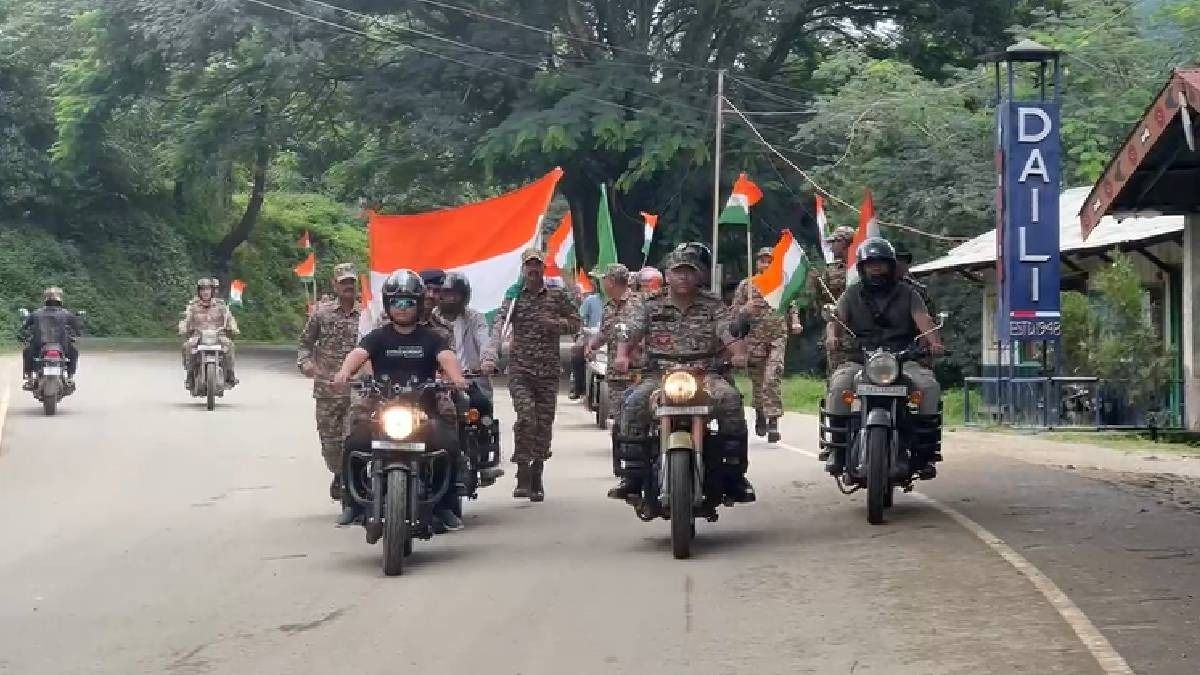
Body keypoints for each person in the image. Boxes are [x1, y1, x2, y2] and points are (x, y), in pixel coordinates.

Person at [609, 250, 755, 501]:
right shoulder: (650, 303)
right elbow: (631, 332)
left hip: (705, 373)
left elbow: (728, 332)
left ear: (698, 276)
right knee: (632, 404)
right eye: (678, 272)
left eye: (689, 272)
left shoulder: (712, 304)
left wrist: (739, 354)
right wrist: (622, 356)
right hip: (659, 373)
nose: (684, 277)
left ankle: (734, 475)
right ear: (667, 276)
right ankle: (632, 475)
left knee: (730, 400)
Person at [332, 269, 469, 528]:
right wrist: (343, 372)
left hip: (423, 412)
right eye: (396, 302)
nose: (402, 308)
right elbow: (358, 353)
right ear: (388, 305)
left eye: (408, 302)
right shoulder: (379, 336)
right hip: (384, 409)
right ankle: (352, 503)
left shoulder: (431, 337)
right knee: (355, 442)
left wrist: (456, 378)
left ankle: (446, 507)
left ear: (418, 304)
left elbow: (446, 357)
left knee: (448, 445)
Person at [823, 238, 944, 475]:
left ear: (891, 266)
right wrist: (832, 337)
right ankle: (837, 448)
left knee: (928, 386)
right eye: (871, 264)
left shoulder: (909, 294)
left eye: (881, 264)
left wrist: (935, 342)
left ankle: (926, 452)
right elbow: (835, 320)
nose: (876, 269)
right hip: (859, 357)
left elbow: (924, 320)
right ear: (862, 267)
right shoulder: (851, 294)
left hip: (902, 358)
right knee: (839, 386)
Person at [481, 248, 581, 502]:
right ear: (523, 269)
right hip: (520, 369)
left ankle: (538, 471)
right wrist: (491, 353)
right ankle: (522, 471)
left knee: (543, 424)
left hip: (547, 371)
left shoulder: (556, 295)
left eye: (537, 265)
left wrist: (556, 325)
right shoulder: (515, 296)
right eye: (529, 266)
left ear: (543, 268)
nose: (533, 270)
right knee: (526, 417)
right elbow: (499, 323)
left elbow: (575, 322)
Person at [297, 263, 361, 504]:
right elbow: (304, 344)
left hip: (359, 390)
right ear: (334, 285)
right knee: (331, 445)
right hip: (327, 390)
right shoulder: (321, 314)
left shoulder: (368, 314)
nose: (348, 286)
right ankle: (339, 473)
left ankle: (352, 488)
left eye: (351, 282)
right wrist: (305, 364)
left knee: (354, 440)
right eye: (343, 282)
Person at [434, 271, 504, 485]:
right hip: (437, 383)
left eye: (456, 294)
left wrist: (488, 361)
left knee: (482, 405)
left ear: (465, 296)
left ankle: (482, 460)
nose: (451, 299)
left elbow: (486, 342)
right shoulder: (430, 319)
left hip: (469, 380)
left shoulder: (475, 318)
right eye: (446, 294)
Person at [732, 247, 789, 443]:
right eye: (762, 261)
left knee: (772, 377)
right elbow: (733, 312)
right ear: (756, 263)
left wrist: (796, 322)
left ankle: (773, 421)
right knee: (758, 382)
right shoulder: (747, 285)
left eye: (769, 261)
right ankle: (760, 412)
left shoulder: (782, 283)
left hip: (777, 337)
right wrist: (744, 310)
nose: (766, 264)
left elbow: (792, 305)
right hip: (754, 340)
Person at [585, 263, 637, 419]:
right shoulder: (609, 307)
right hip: (616, 375)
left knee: (636, 416)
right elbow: (604, 333)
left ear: (612, 281)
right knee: (619, 419)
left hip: (638, 372)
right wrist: (591, 345)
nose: (603, 283)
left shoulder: (639, 303)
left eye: (604, 279)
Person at [178, 278, 239, 389]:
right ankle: (190, 375)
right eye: (202, 290)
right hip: (198, 336)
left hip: (218, 335)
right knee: (187, 346)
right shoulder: (193, 306)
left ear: (212, 291)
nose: (205, 292)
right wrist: (183, 328)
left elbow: (229, 318)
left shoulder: (221, 305)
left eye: (207, 289)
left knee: (229, 345)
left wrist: (233, 327)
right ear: (199, 292)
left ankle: (230, 373)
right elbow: (185, 319)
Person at [20, 287, 83, 389]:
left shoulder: (36, 313)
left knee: (27, 352)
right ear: (60, 299)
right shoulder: (67, 314)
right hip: (62, 346)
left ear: (45, 299)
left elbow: (24, 327)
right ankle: (70, 377)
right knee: (74, 352)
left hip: (39, 345)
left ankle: (29, 378)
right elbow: (77, 329)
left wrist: (25, 335)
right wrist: (76, 336)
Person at [570, 276, 604, 400]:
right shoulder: (591, 300)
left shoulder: (619, 300)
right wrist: (583, 329)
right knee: (576, 352)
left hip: (611, 336)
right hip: (591, 335)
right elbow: (580, 318)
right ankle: (578, 387)